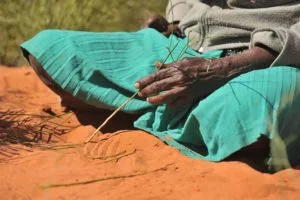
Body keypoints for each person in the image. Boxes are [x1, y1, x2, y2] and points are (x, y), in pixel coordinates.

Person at [21, 0, 300, 172]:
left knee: (260, 108)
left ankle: (155, 115)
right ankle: (186, 121)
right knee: (48, 50)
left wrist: (222, 69)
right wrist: (178, 20)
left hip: (266, 59)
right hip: (184, 47)